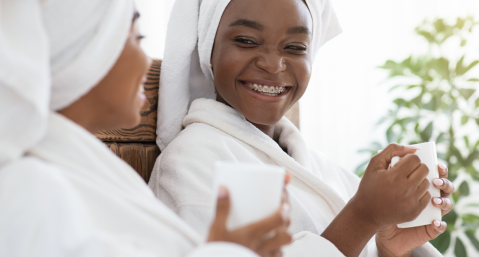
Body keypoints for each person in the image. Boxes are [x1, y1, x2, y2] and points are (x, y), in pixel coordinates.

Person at [148, 0, 455, 256]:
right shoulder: (194, 162)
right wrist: (363, 217)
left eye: (295, 47)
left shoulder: (318, 166)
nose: (273, 64)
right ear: (208, 48)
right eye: (246, 41)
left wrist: (388, 248)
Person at [0, 1, 292, 256]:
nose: (147, 61)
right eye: (137, 38)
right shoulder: (26, 191)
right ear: (84, 54)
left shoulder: (91, 174)